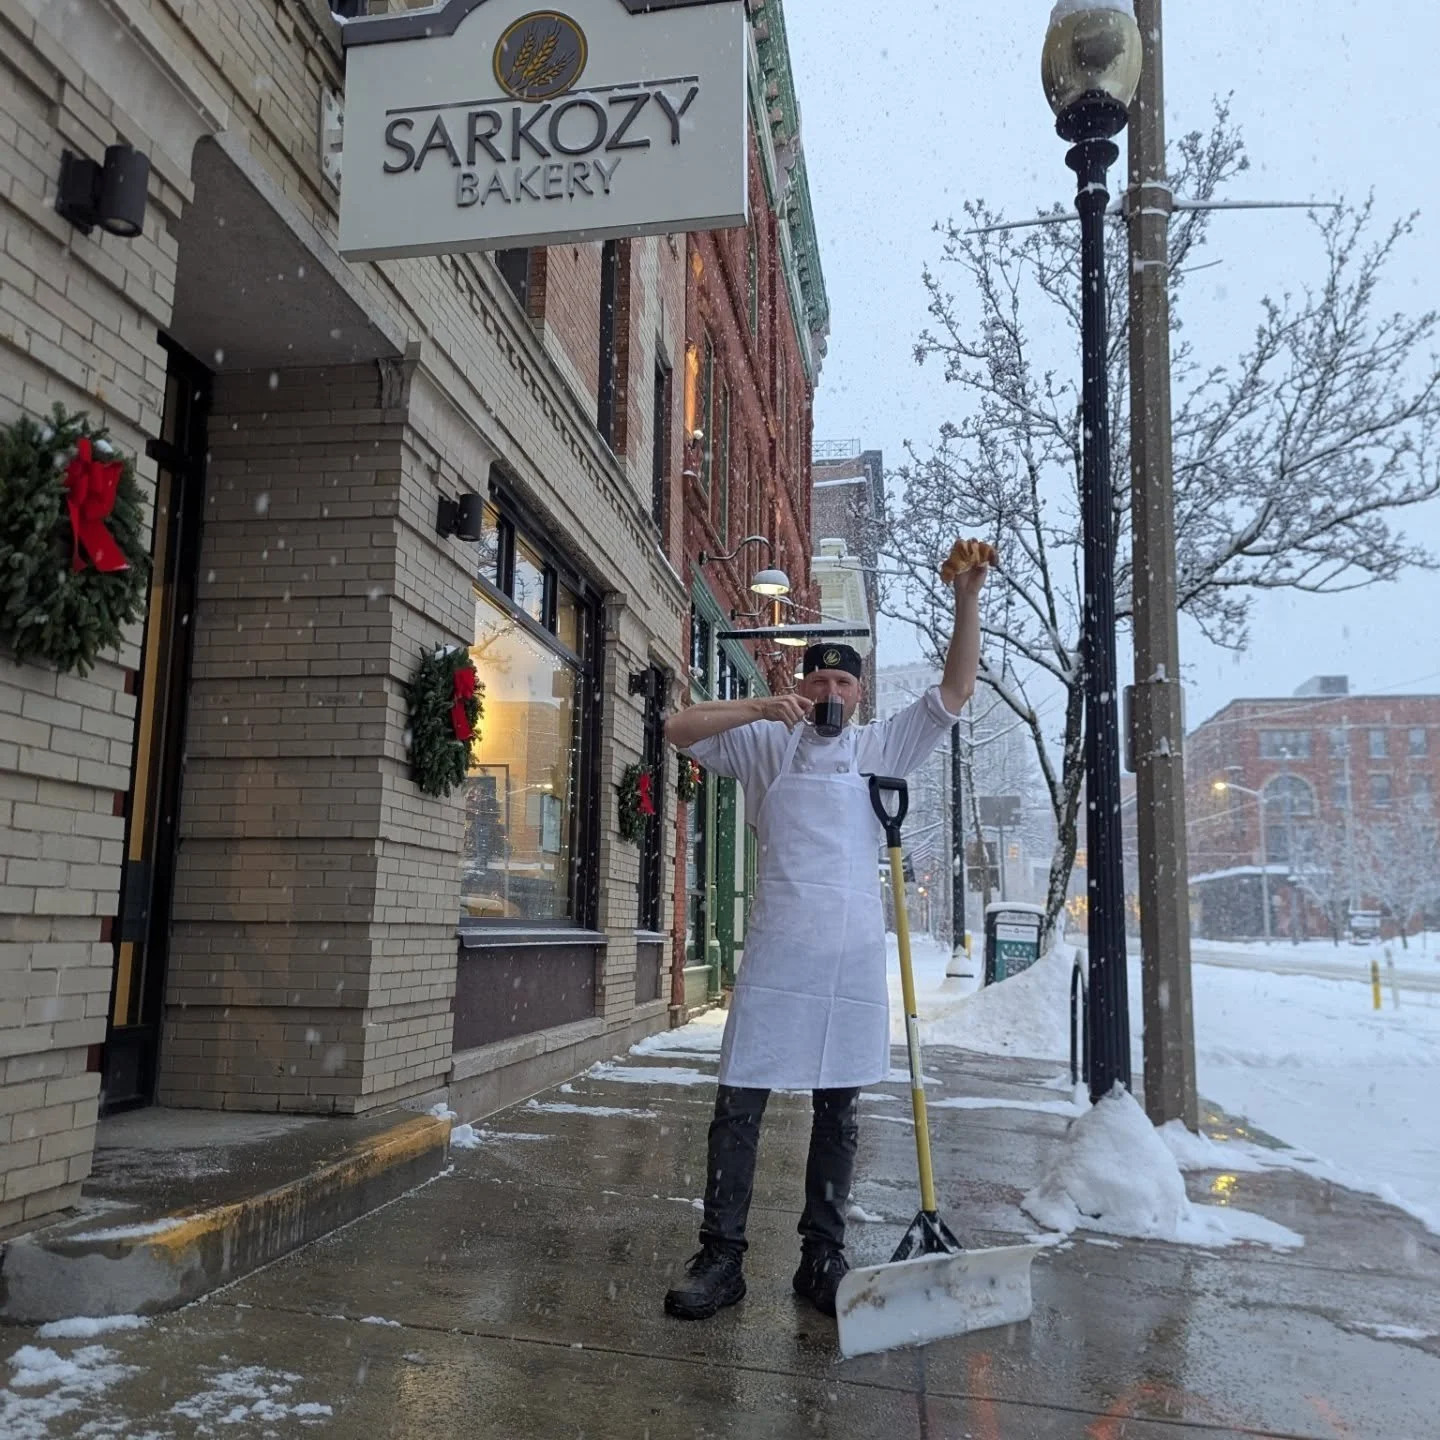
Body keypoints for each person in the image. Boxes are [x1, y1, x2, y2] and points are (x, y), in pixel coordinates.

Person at [661, 545, 992, 1322]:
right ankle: (722, 1256)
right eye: (818, 679)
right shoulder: (766, 741)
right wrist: (754, 707)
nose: (830, 692)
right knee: (739, 1105)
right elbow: (676, 726)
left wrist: (968, 598)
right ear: (801, 685)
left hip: (848, 962)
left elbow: (954, 690)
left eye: (843, 681)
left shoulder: (881, 749)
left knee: (837, 1112)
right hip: (777, 957)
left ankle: (822, 1254)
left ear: (860, 692)